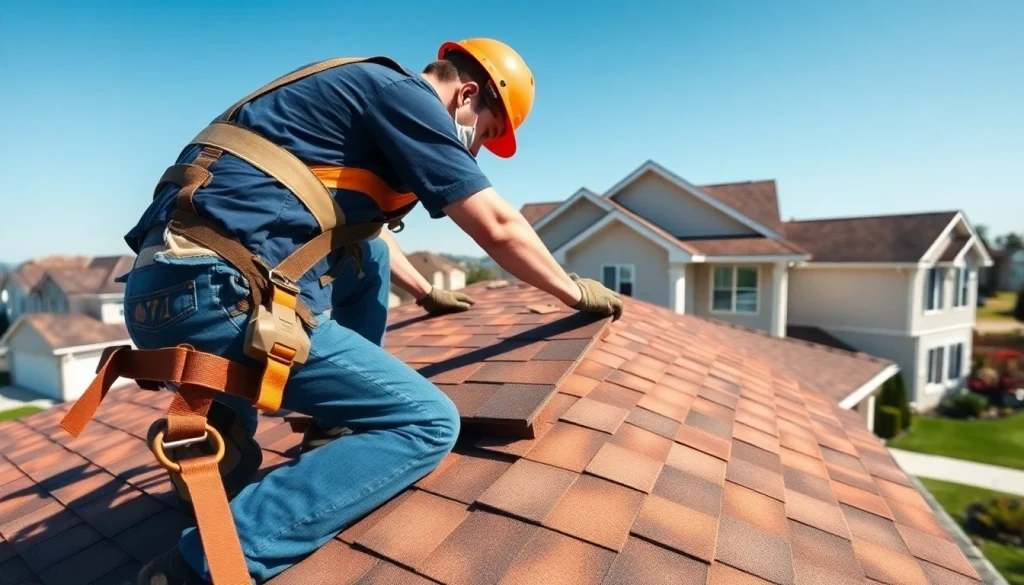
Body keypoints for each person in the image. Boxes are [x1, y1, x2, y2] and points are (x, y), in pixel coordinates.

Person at [129, 38, 623, 584]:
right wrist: (571, 291)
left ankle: (232, 434)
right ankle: (200, 564)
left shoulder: (352, 92)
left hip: (166, 294)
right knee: (426, 422)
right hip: (225, 293)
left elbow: (371, 237)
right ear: (467, 94)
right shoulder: (404, 96)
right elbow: (498, 225)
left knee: (366, 255)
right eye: (483, 135)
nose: (474, 152)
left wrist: (424, 292)